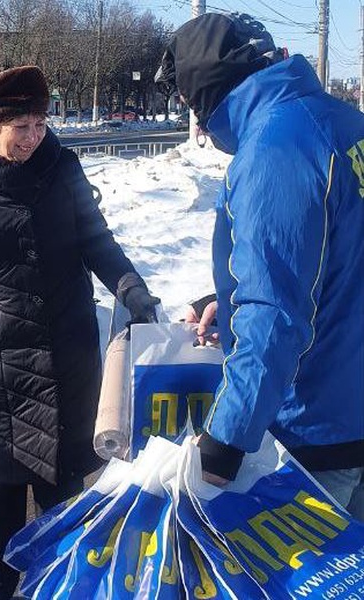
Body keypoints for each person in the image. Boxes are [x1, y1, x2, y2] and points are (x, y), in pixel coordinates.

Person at [0, 65, 159, 600]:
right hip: (1, 362)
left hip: (70, 355)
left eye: (39, 124)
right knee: (0, 489)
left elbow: (98, 243)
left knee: (65, 489)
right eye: (20, 127)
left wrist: (133, 290)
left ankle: (65, 588)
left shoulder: (63, 168)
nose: (33, 138)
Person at [155, 13, 364, 518]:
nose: (199, 125)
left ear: (208, 90)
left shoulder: (275, 147)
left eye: (190, 103)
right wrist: (226, 299)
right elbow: (338, 258)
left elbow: (276, 313)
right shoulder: (345, 124)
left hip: (314, 430)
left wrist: (226, 441)